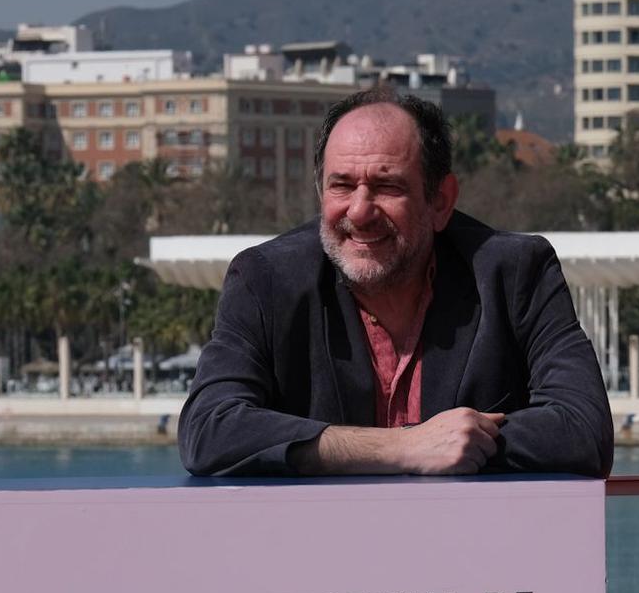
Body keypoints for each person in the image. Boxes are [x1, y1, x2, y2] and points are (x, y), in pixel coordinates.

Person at [178, 84, 613, 479]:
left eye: (386, 187)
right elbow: (209, 429)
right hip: (316, 555)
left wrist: (459, 445)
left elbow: (584, 429)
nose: (360, 211)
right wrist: (405, 446)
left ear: (440, 202)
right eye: (342, 186)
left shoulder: (515, 272)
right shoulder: (265, 279)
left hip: (471, 555)